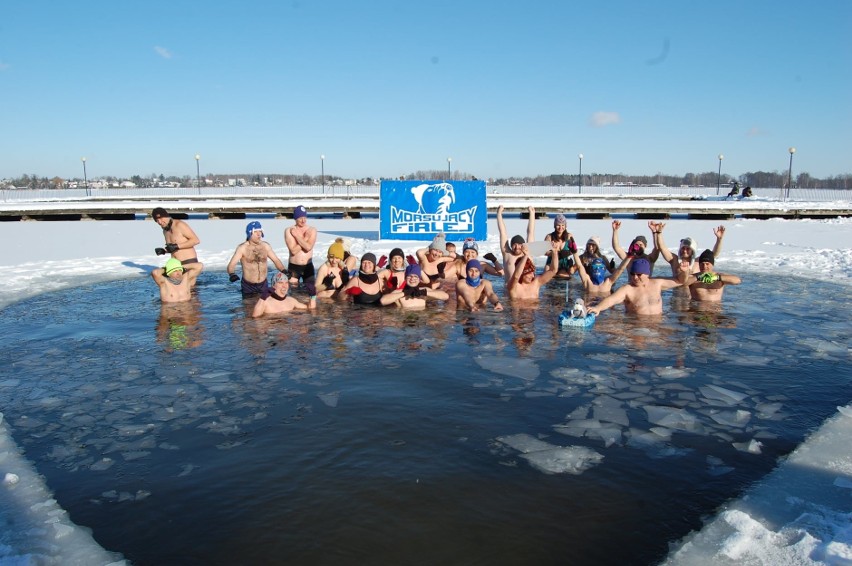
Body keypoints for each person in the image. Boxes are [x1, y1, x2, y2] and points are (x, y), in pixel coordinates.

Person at [587, 257, 682, 316]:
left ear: (647, 274)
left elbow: (679, 280)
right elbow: (611, 300)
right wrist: (598, 308)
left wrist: (687, 272)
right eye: (632, 274)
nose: (635, 277)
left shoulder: (657, 283)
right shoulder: (627, 289)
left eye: (639, 274)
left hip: (658, 326)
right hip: (636, 327)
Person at [226, 221, 287, 297]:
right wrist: (232, 274)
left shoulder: (265, 246)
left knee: (264, 306)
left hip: (263, 284)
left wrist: (283, 270)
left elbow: (276, 260)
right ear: (249, 233)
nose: (259, 234)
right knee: (248, 307)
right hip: (248, 286)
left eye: (260, 231)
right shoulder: (242, 248)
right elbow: (231, 265)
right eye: (255, 232)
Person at [654, 222, 725, 277]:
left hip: (694, 293)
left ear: (692, 250)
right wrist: (659, 233)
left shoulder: (698, 262)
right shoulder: (674, 260)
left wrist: (719, 239)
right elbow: (662, 248)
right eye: (683, 248)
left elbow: (714, 254)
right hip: (677, 294)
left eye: (688, 249)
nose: (684, 251)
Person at [151, 207, 202, 278]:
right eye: (157, 220)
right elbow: (173, 248)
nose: (159, 222)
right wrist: (164, 251)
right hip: (175, 266)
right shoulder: (165, 231)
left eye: (161, 218)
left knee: (189, 288)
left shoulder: (179, 225)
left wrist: (177, 246)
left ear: (167, 216)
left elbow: (195, 240)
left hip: (189, 263)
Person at [497, 204, 536, 282]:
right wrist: (499, 214)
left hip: (526, 290)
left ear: (524, 245)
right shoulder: (507, 254)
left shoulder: (528, 254)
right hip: (510, 291)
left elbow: (530, 233)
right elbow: (503, 233)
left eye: (520, 245)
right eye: (514, 245)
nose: (517, 247)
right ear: (511, 246)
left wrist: (532, 214)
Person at [380, 264, 449, 309]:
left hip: (421, 322)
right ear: (405, 278)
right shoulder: (399, 292)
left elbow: (445, 296)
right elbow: (383, 301)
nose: (412, 279)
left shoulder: (424, 290)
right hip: (404, 322)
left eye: (415, 277)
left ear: (419, 280)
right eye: (409, 276)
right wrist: (404, 293)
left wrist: (424, 293)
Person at [252, 272, 316, 317]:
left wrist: (313, 295)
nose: (284, 286)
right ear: (273, 285)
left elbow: (310, 309)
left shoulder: (291, 301)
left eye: (286, 283)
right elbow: (255, 317)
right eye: (280, 283)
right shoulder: (266, 302)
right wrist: (262, 298)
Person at [284, 205, 317, 290]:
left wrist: (297, 237)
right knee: (293, 292)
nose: (303, 220)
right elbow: (293, 251)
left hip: (308, 266)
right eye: (300, 218)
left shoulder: (312, 230)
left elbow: (308, 247)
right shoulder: (289, 230)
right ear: (295, 218)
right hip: (294, 267)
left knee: (309, 292)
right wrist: (305, 238)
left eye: (305, 217)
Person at [544, 213, 575, 278]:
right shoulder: (549, 237)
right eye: (558, 225)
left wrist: (567, 253)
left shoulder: (569, 236)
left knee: (564, 276)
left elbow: (574, 250)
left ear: (565, 226)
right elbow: (545, 252)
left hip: (564, 263)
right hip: (551, 262)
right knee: (546, 274)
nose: (561, 227)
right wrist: (555, 253)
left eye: (563, 225)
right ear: (555, 225)